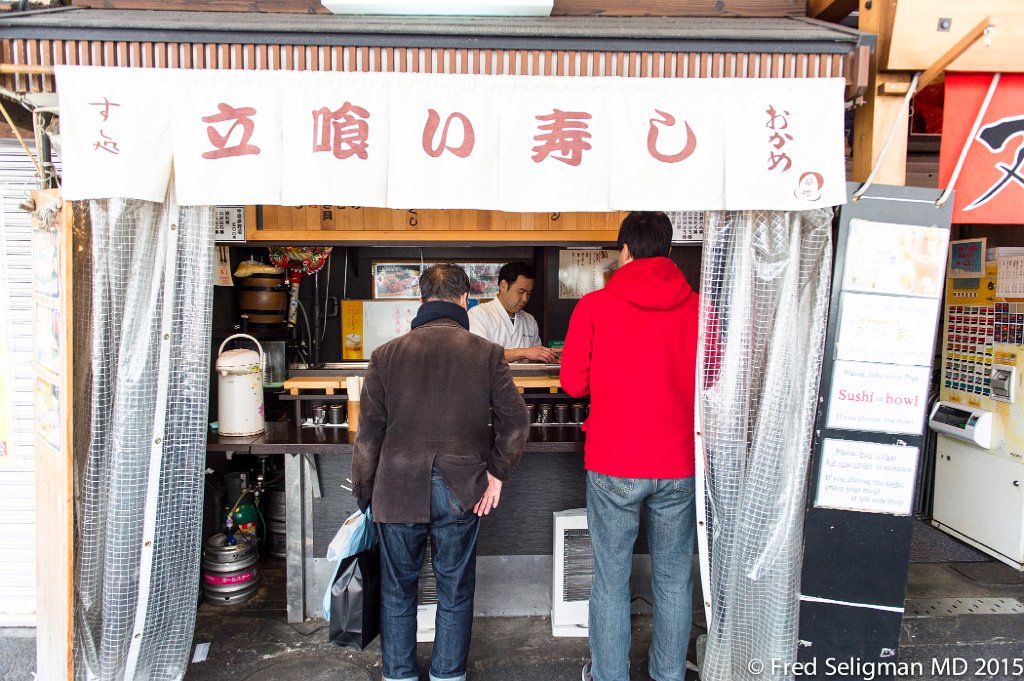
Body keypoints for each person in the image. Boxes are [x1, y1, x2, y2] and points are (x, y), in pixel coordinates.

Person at [351, 263, 530, 681]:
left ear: (421, 299)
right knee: (454, 589)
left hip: (395, 488)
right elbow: (516, 421)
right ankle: (448, 674)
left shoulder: (386, 355)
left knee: (398, 589)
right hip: (462, 488)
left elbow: (369, 435)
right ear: (464, 299)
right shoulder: (486, 353)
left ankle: (399, 674)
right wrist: (498, 474)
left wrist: (364, 492)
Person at [560, 212, 699, 681]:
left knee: (610, 581)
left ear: (624, 251)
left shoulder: (595, 305)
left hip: (614, 461)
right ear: (669, 251)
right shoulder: (700, 307)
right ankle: (668, 674)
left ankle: (608, 674)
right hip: (679, 461)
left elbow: (573, 382)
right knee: (675, 580)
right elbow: (713, 382)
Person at [469, 261, 558, 363]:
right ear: (503, 286)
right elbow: (480, 355)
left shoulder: (529, 320)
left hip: (527, 379)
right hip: (492, 379)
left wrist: (549, 355)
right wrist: (524, 352)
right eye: (520, 292)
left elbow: (536, 359)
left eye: (528, 293)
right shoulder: (479, 314)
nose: (525, 299)